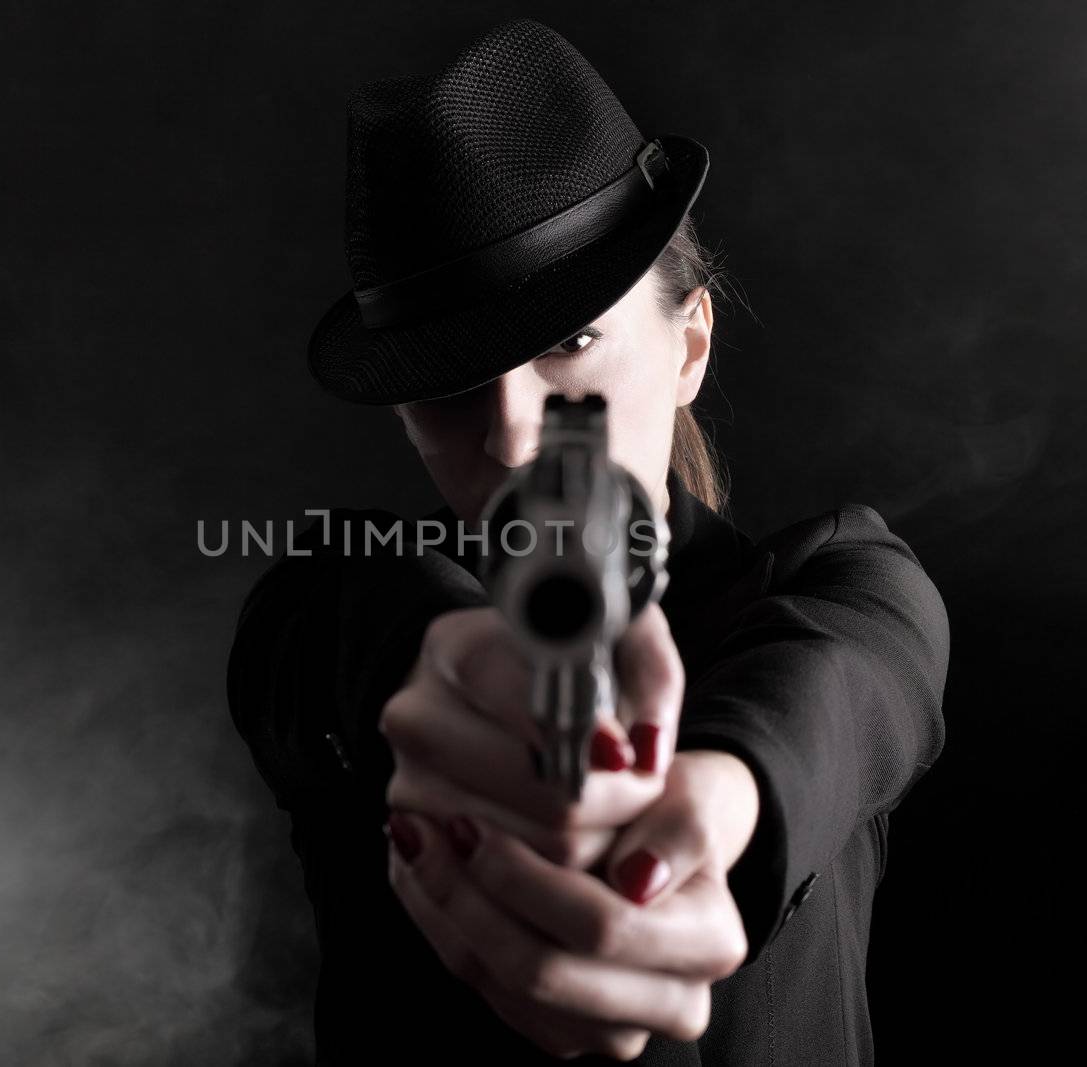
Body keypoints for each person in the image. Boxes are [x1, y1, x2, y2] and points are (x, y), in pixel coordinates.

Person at [226, 18, 949, 1066]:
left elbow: (844, 680)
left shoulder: (844, 585)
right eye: (452, 383)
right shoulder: (337, 601)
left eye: (569, 342)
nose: (517, 429)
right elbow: (339, 629)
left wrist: (724, 797)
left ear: (688, 343)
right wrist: (443, 676)